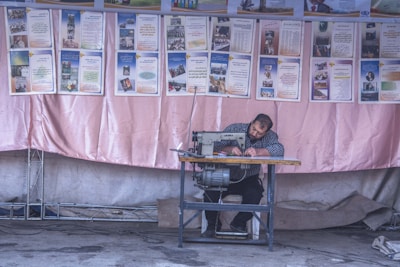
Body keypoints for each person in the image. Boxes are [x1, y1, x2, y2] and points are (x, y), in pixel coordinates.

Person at [202, 113, 284, 237]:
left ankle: (239, 223)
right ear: (251, 122)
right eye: (253, 129)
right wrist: (229, 149)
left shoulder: (270, 137)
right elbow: (215, 144)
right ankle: (212, 226)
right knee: (210, 192)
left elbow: (279, 150)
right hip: (226, 175)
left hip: (248, 178)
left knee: (255, 194)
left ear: (266, 133)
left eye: (259, 133)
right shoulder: (234, 129)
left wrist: (259, 151)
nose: (255, 134)